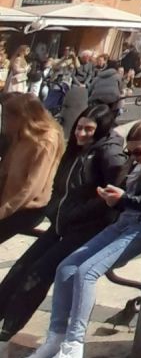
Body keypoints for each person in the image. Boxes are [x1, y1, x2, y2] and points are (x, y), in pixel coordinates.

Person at [17, 117, 141, 358]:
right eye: (131, 152)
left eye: (139, 151)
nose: (134, 156)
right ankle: (55, 339)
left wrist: (124, 198)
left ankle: (73, 348)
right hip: (123, 220)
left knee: (86, 272)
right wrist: (113, 200)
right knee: (66, 267)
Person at [0, 105, 128, 340]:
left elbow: (113, 197)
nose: (80, 134)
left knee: (39, 272)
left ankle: (9, 329)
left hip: (86, 228)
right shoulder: (77, 149)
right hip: (62, 221)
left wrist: (77, 213)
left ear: (101, 130)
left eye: (88, 129)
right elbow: (62, 185)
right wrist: (55, 209)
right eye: (79, 127)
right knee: (21, 267)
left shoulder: (109, 155)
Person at [0, 93, 65, 243]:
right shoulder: (21, 134)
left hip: (27, 208)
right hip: (8, 199)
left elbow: (32, 187)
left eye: (9, 117)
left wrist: (4, 210)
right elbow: (5, 169)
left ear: (24, 116)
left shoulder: (46, 139)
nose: (6, 121)